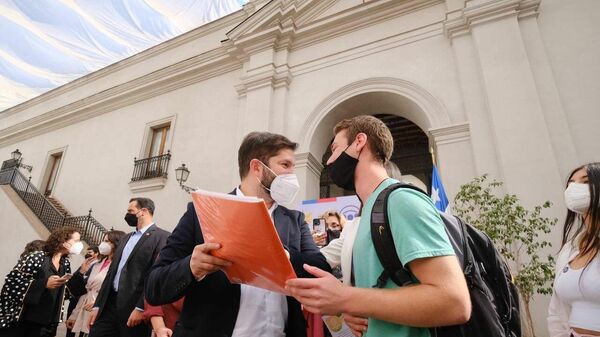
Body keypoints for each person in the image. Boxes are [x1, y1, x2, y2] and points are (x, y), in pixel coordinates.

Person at [286, 115, 470, 337]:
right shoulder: (368, 213)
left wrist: (345, 298)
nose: (329, 161)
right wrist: (357, 307)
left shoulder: (400, 200)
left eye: (335, 149)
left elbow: (453, 302)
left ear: (359, 142)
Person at [145, 131, 331, 337]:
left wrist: (280, 253)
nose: (292, 175)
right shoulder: (201, 212)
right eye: (285, 165)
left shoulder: (294, 220)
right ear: (257, 167)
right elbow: (154, 287)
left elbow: (320, 268)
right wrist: (191, 267)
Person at [88, 198, 170, 337]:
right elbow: (111, 273)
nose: (127, 214)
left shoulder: (162, 237)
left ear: (143, 211)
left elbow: (155, 276)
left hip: (133, 309)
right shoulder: (126, 238)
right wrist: (98, 306)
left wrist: (141, 307)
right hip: (108, 307)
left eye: (131, 211)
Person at [548, 162, 600, 337]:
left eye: (585, 182)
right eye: (571, 184)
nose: (574, 188)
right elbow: (556, 312)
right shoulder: (570, 249)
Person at [0, 227, 82, 337]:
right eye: (76, 241)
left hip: (48, 323)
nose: (79, 244)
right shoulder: (37, 257)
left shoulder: (65, 264)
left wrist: (82, 272)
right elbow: (11, 282)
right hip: (24, 320)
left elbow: (65, 293)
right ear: (63, 241)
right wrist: (44, 284)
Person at [66, 230, 126, 336]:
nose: (103, 244)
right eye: (103, 240)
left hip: (103, 315)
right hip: (85, 312)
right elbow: (86, 291)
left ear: (117, 243)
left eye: (107, 241)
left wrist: (99, 303)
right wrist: (74, 315)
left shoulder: (121, 267)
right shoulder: (96, 264)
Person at [66, 245, 101, 337]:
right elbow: (73, 282)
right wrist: (82, 272)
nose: (87, 254)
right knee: (70, 327)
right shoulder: (85, 264)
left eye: (90, 252)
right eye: (87, 252)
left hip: (88, 300)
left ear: (97, 254)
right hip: (76, 299)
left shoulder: (97, 266)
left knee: (84, 328)